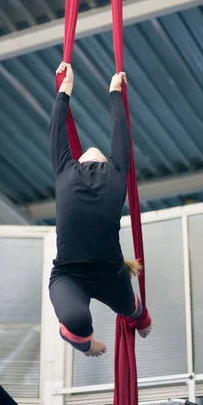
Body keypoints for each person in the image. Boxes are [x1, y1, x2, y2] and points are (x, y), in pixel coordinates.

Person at [49, 62, 152, 357]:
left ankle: (141, 318)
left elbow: (120, 133)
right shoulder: (99, 170)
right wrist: (67, 90)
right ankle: (85, 343)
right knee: (77, 320)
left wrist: (112, 92)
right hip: (70, 274)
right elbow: (58, 131)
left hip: (110, 272)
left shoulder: (90, 170)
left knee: (134, 310)